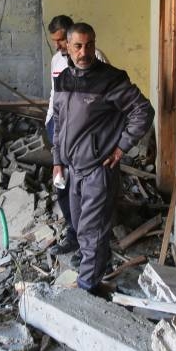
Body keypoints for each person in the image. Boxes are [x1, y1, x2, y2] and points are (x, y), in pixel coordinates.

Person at [51, 23, 154, 295]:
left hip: (98, 169)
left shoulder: (111, 79)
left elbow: (143, 110)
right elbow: (60, 124)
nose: (85, 52)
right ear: (67, 47)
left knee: (91, 231)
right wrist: (57, 160)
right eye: (78, 46)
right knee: (79, 226)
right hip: (73, 169)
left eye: (90, 45)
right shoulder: (62, 80)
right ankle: (96, 268)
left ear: (95, 45)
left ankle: (88, 289)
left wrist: (121, 148)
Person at [44, 15, 107, 258]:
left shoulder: (96, 58)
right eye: (56, 41)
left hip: (88, 136)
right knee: (62, 183)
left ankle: (89, 242)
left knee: (85, 189)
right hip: (61, 129)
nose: (58, 45)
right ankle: (74, 233)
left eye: (61, 40)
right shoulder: (55, 61)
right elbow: (55, 95)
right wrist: (50, 122)